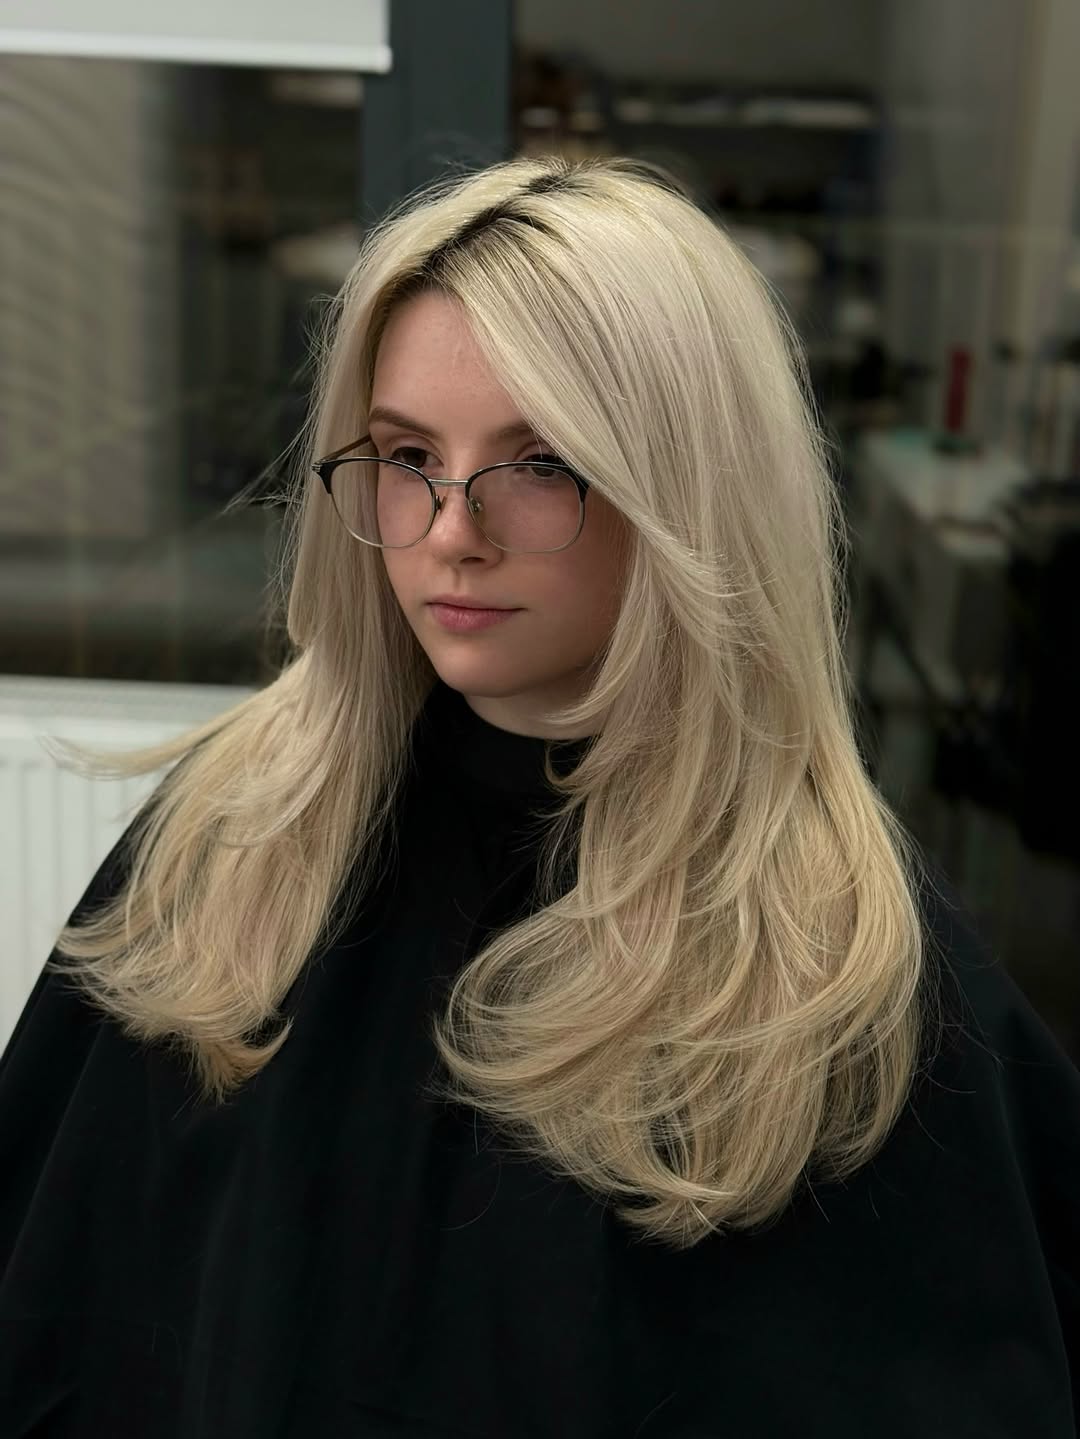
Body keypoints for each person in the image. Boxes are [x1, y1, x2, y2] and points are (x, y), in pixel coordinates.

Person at [1, 154, 1077, 1438]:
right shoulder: (232, 835)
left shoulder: (839, 961)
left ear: (690, 494)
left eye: (542, 462)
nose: (453, 526)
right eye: (408, 453)